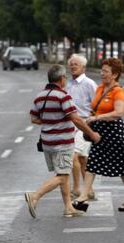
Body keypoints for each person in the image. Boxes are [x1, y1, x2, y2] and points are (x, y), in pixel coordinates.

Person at [25, 64, 100, 218]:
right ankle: (35, 196)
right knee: (63, 176)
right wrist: (92, 134)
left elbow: (34, 118)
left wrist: (50, 121)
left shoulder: (40, 96)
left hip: (47, 143)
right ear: (61, 79)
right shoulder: (63, 96)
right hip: (62, 143)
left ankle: (68, 207)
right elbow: (76, 119)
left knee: (62, 173)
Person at [73, 58, 124, 212]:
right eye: (101, 71)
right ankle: (83, 197)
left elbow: (119, 112)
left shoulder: (118, 91)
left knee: (122, 167)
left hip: (114, 132)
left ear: (114, 75)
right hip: (100, 132)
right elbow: (95, 108)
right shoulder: (100, 88)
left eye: (105, 71)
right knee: (92, 164)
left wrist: (97, 118)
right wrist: (90, 119)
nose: (102, 74)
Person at [66, 54, 98, 200]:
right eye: (71, 64)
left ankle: (77, 188)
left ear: (83, 67)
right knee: (83, 159)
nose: (72, 66)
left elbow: (97, 104)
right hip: (70, 124)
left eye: (76, 64)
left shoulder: (89, 83)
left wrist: (93, 122)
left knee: (74, 155)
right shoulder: (68, 84)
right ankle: (89, 190)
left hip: (84, 123)